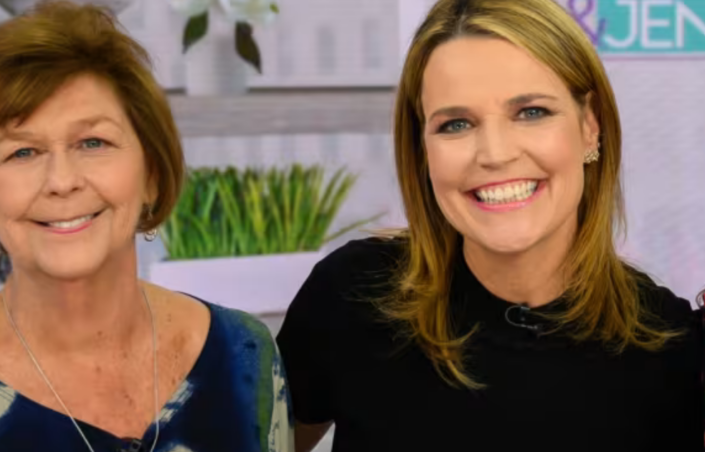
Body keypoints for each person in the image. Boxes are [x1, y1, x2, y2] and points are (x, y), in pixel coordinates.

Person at [276, 0, 703, 450]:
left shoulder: (673, 347)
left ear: (590, 126)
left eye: (532, 112)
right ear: (423, 150)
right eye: (455, 123)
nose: (495, 153)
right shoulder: (351, 295)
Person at [0, 2, 292, 451]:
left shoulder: (245, 354)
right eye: (22, 152)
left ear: (150, 175)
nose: (63, 182)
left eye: (93, 142)